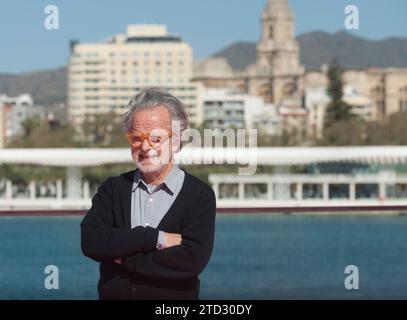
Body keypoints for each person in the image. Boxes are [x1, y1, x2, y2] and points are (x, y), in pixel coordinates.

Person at [80, 87, 216, 300]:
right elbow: (91, 241)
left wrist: (123, 257)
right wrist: (154, 238)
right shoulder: (113, 189)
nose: (145, 146)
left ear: (176, 140)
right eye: (136, 138)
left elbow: (191, 261)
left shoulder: (200, 196)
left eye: (155, 138)